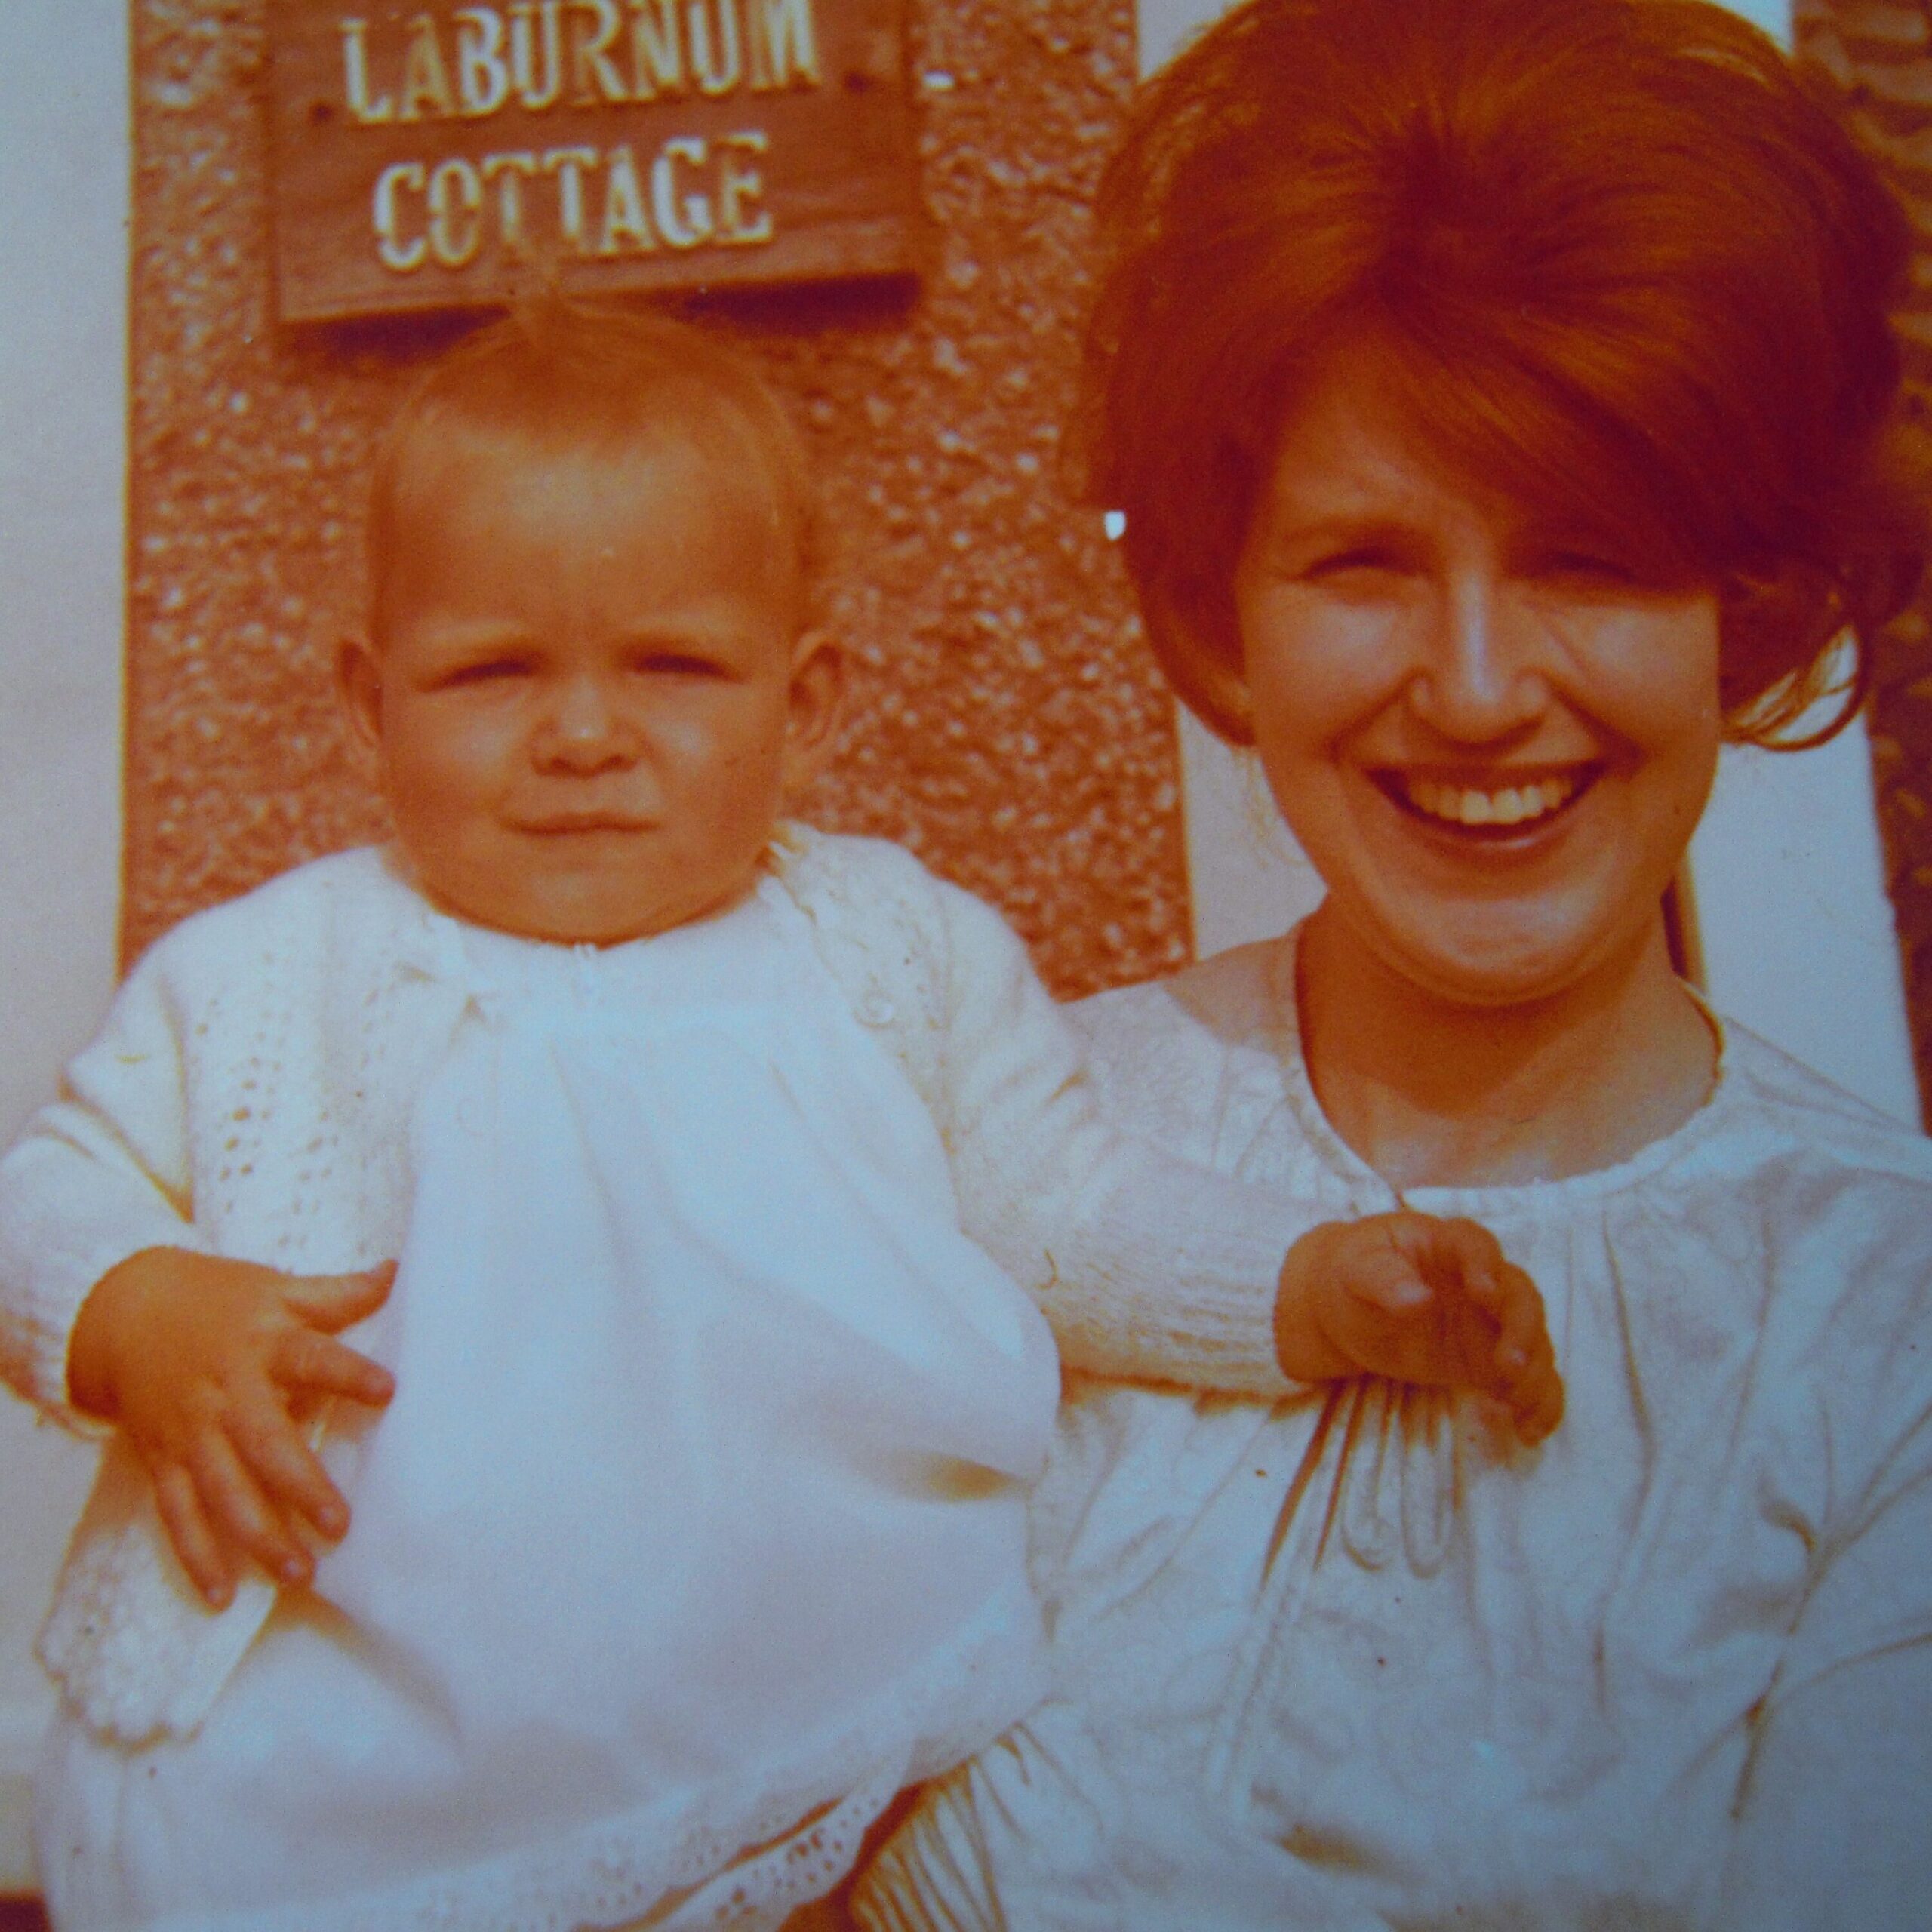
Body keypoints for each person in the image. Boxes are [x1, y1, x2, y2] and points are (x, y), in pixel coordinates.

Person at [0, 303, 1558, 1932]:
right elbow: (47, 1197)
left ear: (803, 706)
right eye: (490, 671)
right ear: (363, 702)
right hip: (361, 1772)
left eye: (671, 665)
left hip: (810, 1741)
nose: (584, 735)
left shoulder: (889, 948)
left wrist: (1303, 1283)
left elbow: (1066, 1210)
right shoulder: (265, 979)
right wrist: (136, 1309)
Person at [851, 0, 1932, 1925]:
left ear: (1743, 606)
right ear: (1219, 609)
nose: (1477, 689)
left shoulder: (1880, 1327)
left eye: (1589, 557)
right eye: (1361, 560)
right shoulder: (999, 1145)